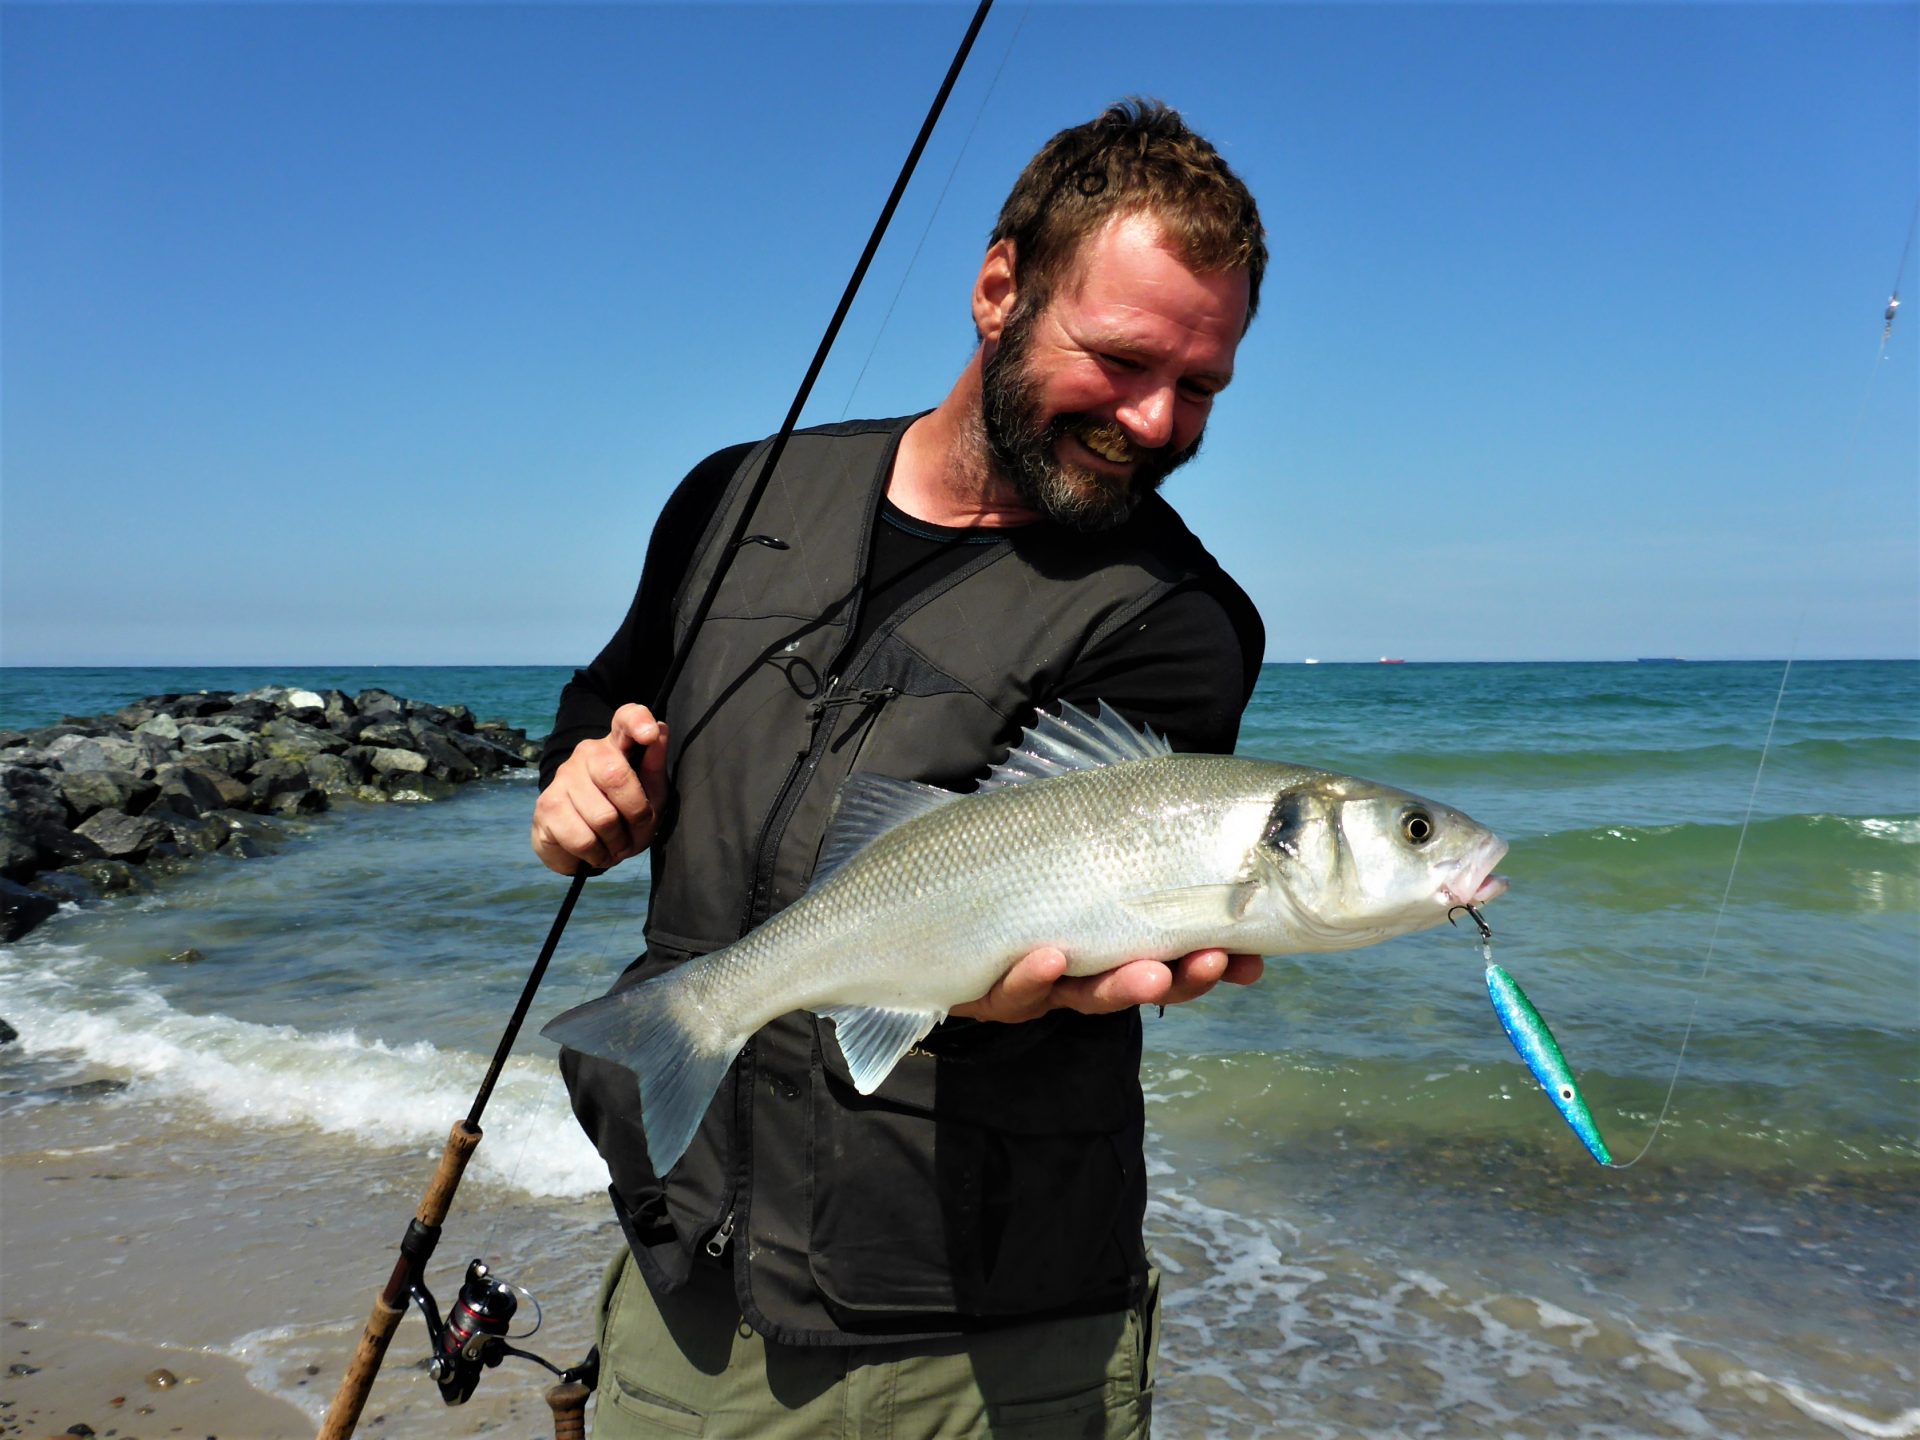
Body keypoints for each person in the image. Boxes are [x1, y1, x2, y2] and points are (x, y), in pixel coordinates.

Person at [534, 98, 1268, 1438]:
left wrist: (1024, 990)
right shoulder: (733, 497)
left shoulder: (1178, 621)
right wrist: (580, 783)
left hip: (978, 1336)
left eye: (1202, 385)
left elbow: (1081, 913)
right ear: (999, 288)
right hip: (682, 1278)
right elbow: (610, 694)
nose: (1155, 422)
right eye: (1119, 361)